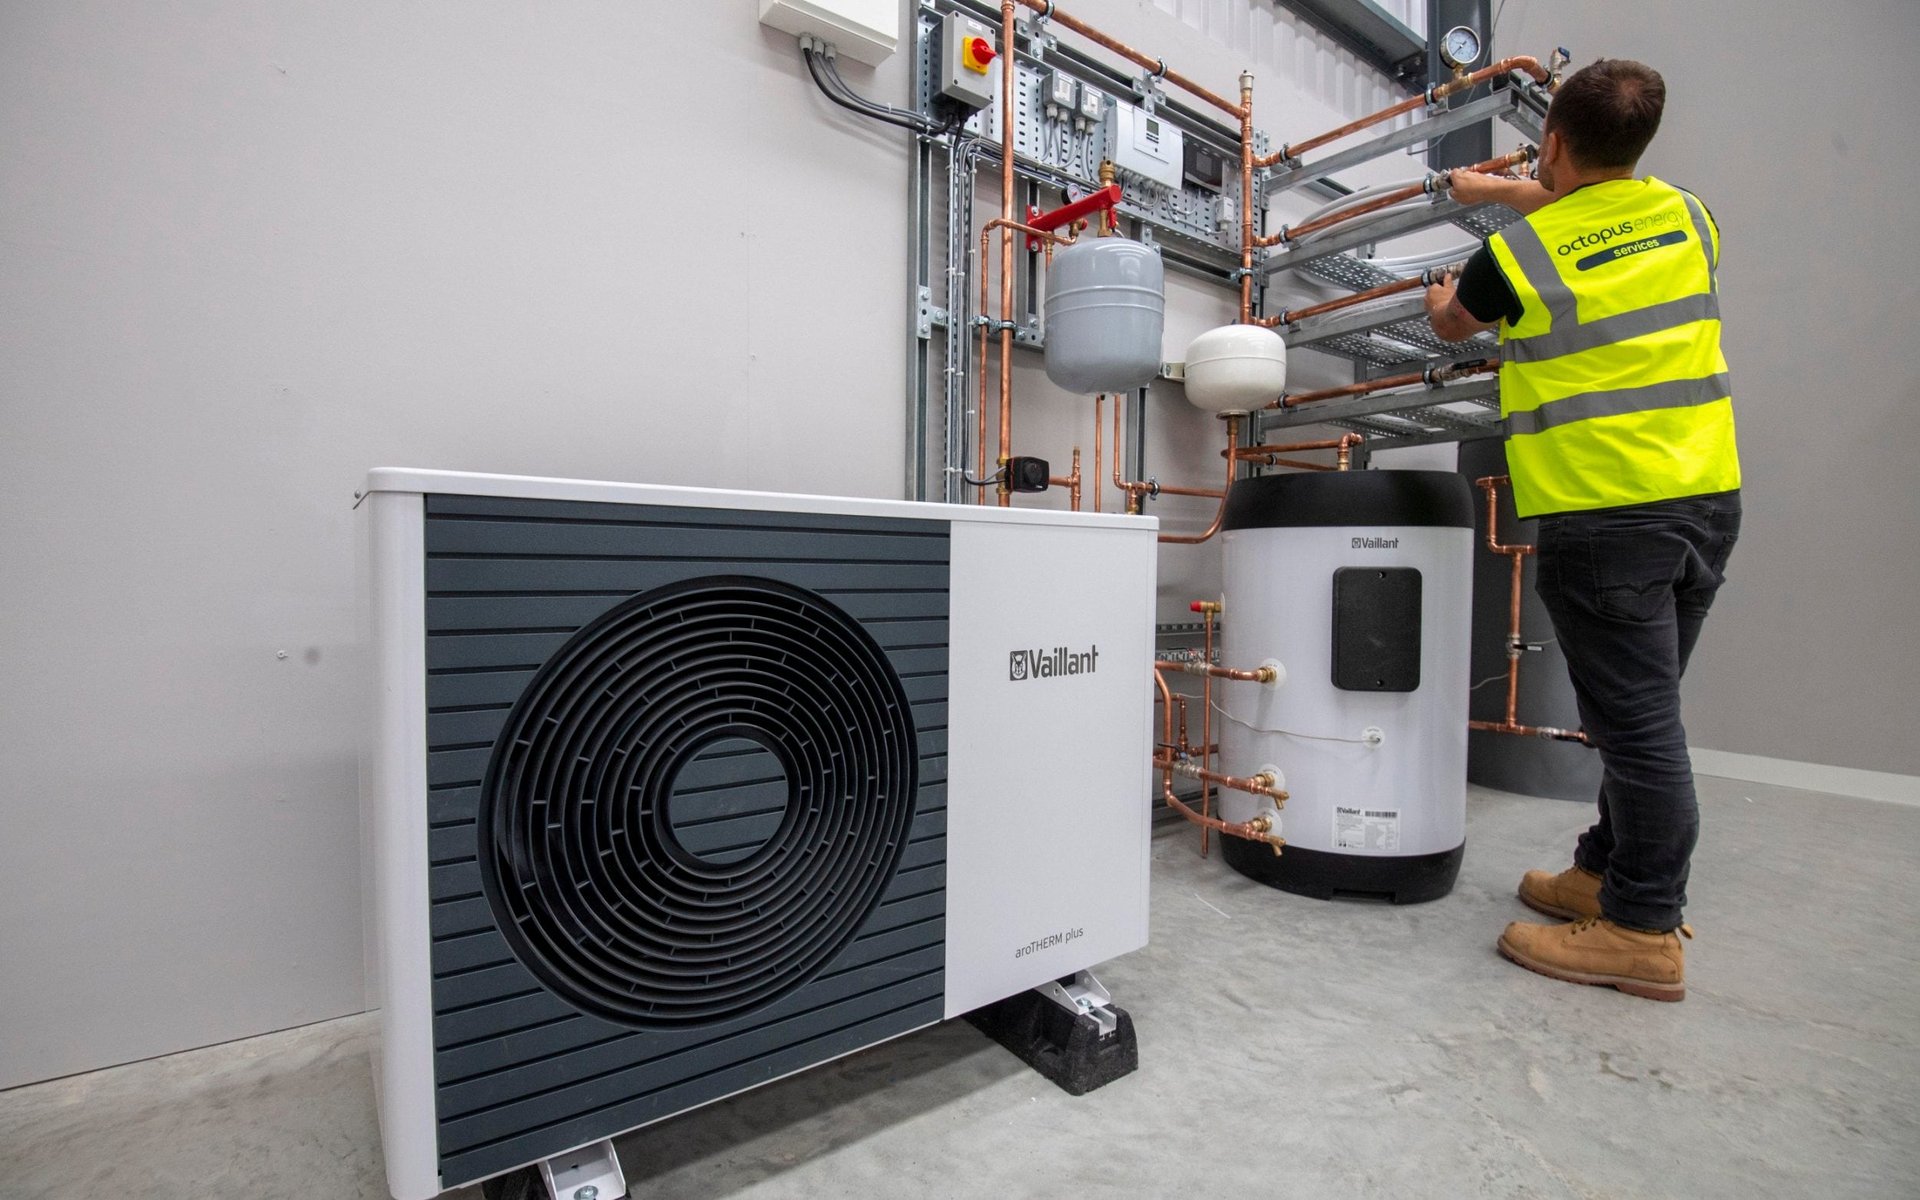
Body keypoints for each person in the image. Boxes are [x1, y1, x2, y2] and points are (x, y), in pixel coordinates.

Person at [1424, 58, 1741, 1002]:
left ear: (1552, 141)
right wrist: (1510, 188)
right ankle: (1603, 869)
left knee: (1637, 731)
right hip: (1703, 501)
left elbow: (1451, 326)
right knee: (1635, 712)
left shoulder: (1517, 253)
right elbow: (1602, 211)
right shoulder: (1689, 216)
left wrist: (1444, 282)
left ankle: (1642, 929)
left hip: (1604, 514)